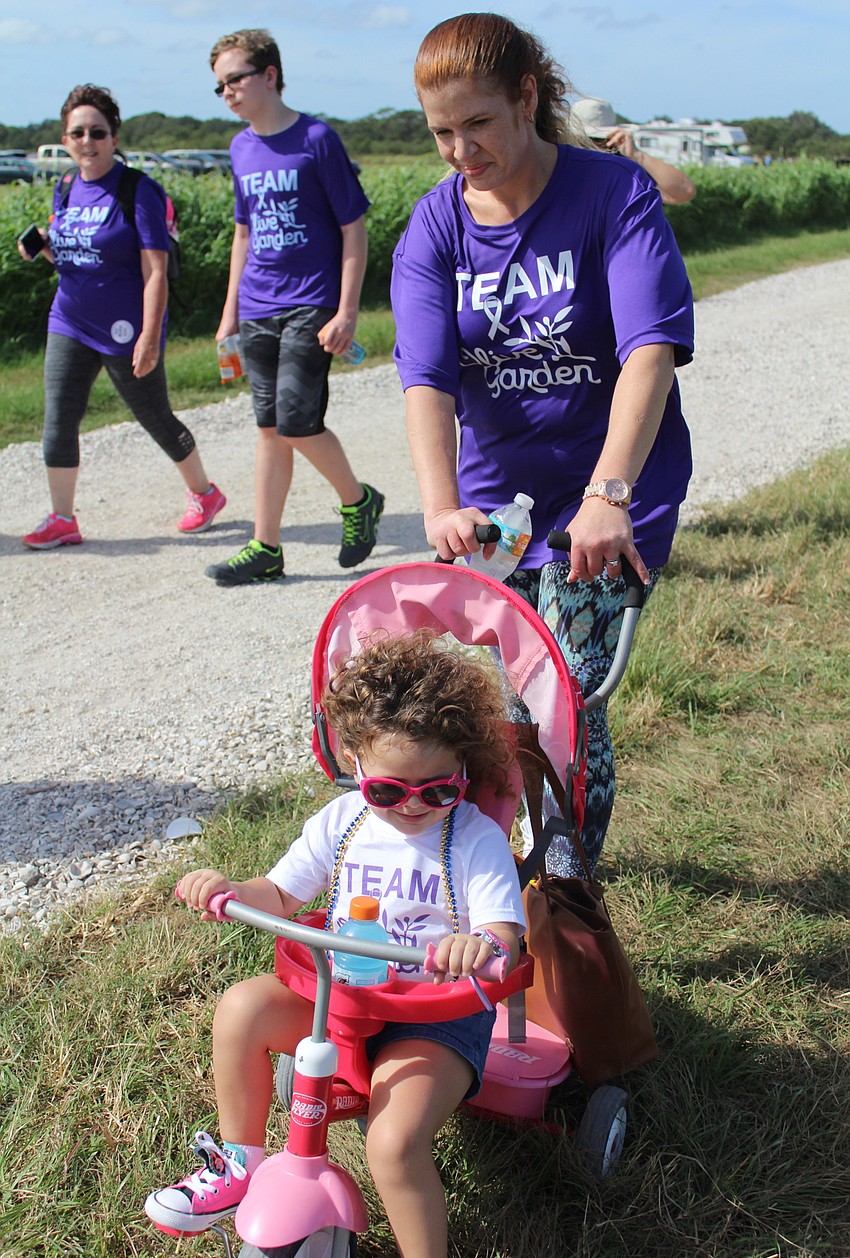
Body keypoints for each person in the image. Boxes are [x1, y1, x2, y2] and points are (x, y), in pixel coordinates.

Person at [391, 14, 695, 877]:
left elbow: (650, 349)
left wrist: (610, 495)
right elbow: (427, 381)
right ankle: (507, 871)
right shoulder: (436, 227)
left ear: (527, 97)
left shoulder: (612, 194)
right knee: (511, 699)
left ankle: (563, 890)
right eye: (442, 131)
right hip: (501, 507)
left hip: (610, 492)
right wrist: (441, 503)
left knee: (564, 689)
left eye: (477, 123)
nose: (460, 149)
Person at [144, 630, 525, 1258]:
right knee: (243, 1008)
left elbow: (504, 935)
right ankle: (239, 1160)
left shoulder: (474, 840)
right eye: (388, 791)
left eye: (437, 790)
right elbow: (279, 893)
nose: (412, 806)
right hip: (343, 997)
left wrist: (477, 944)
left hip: (434, 1018)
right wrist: (233, 890)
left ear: (464, 770)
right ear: (354, 763)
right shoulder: (341, 822)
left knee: (394, 1142)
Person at [204, 28, 384, 587]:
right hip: (257, 304)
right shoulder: (239, 147)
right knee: (268, 429)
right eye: (219, 86)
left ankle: (358, 503)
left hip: (312, 304)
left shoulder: (317, 139)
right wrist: (230, 310)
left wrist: (347, 310)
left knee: (298, 422)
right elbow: (243, 232)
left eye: (236, 79)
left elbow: (353, 229)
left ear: (270, 76)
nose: (228, 91)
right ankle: (266, 547)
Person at [17, 84, 225, 550]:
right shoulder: (66, 186)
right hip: (68, 318)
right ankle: (62, 517)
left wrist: (150, 336)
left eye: (97, 132)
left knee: (154, 415)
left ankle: (205, 494)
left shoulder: (138, 191)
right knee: (58, 419)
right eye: (77, 133)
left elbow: (155, 273)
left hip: (126, 328)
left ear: (114, 137)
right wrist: (46, 250)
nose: (86, 141)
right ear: (64, 138)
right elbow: (78, 257)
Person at [572, 97, 697, 206]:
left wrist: (637, 155)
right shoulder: (560, 166)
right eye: (583, 139)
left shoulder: (624, 171)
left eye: (598, 139)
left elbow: (685, 191)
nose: (590, 146)